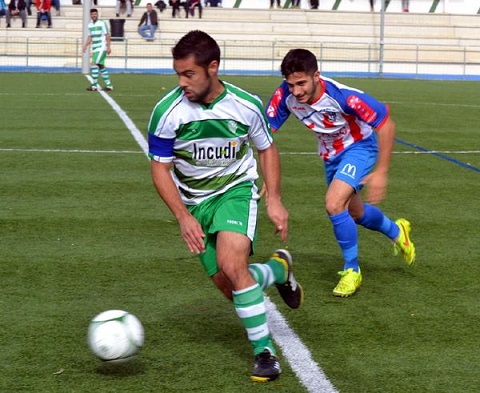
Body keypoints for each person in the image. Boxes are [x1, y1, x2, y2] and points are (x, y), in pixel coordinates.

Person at [148, 30, 303, 382]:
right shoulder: (167, 112)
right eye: (178, 75)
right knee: (230, 286)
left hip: (235, 190)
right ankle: (278, 271)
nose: (182, 82)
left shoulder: (245, 105)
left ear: (213, 68)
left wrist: (274, 198)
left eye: (189, 74)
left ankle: (265, 354)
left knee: (232, 264)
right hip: (194, 202)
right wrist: (183, 216)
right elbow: (159, 167)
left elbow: (266, 148)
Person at [265, 49, 416, 297]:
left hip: (359, 148)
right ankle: (397, 231)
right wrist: (268, 177)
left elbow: (386, 123)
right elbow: (266, 134)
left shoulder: (344, 97)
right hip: (330, 156)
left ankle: (351, 271)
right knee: (354, 213)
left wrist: (381, 171)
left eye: (301, 83)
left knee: (334, 204)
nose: (296, 91)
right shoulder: (285, 95)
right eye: (291, 84)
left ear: (317, 76)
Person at [82, 8, 113, 92]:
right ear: (90, 15)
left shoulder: (102, 23)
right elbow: (90, 37)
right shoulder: (90, 25)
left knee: (93, 63)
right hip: (95, 48)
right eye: (92, 14)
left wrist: (109, 47)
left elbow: (107, 35)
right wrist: (85, 45)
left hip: (101, 47)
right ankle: (109, 85)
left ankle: (94, 86)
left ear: (97, 14)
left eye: (95, 14)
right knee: (100, 66)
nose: (94, 15)